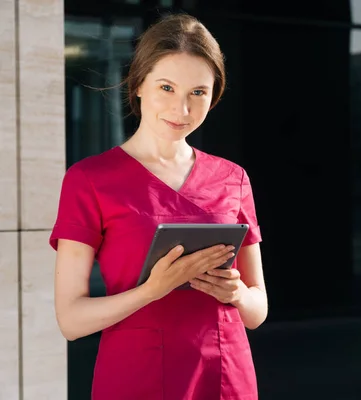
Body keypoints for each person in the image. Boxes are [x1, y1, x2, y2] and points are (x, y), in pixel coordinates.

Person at [49, 13, 267, 400]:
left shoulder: (233, 178)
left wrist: (236, 294)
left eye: (198, 92)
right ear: (138, 86)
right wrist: (152, 290)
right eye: (166, 87)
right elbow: (71, 320)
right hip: (136, 376)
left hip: (224, 374)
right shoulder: (90, 180)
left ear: (214, 94)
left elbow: (257, 311)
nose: (181, 109)